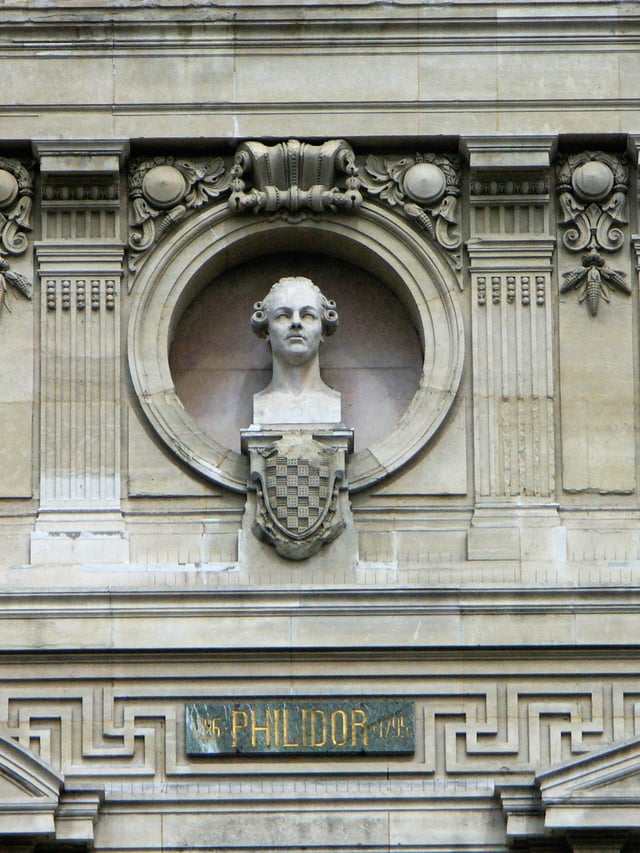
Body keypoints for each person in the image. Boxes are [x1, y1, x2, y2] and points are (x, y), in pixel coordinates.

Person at [250, 276, 342, 424]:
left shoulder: (332, 404)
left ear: (322, 330)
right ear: (267, 330)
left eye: (308, 316)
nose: (296, 323)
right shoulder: (263, 405)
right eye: (283, 316)